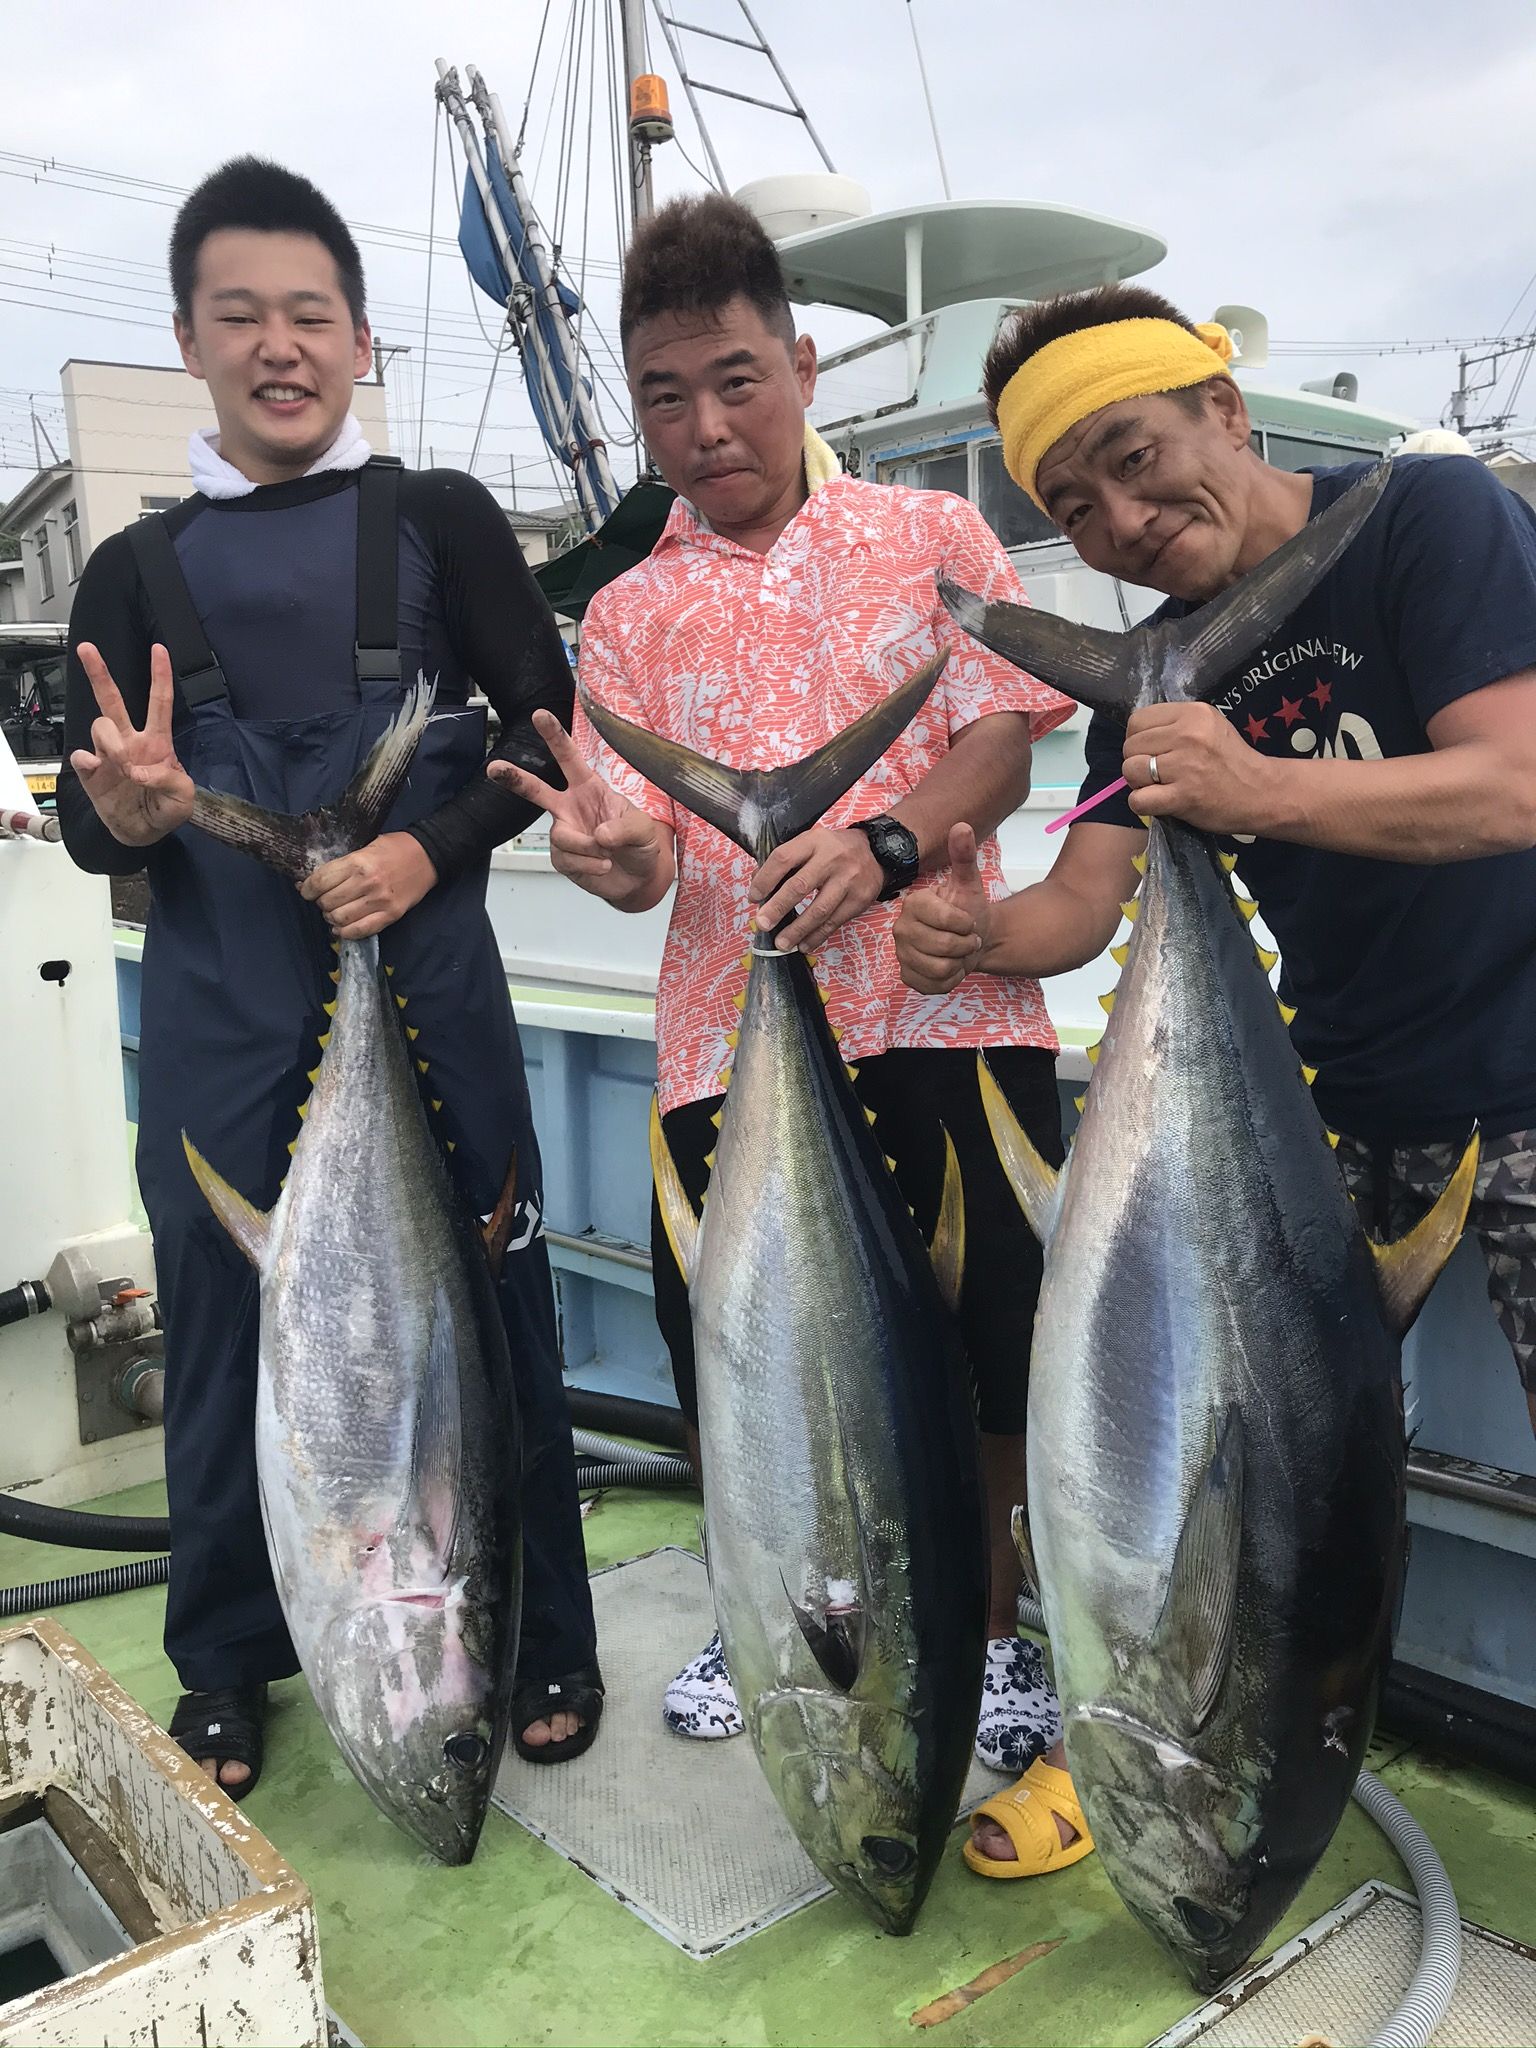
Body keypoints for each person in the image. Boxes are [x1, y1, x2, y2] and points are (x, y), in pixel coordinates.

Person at [894, 279, 1536, 1878]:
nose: (1120, 518)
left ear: (1227, 413)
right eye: (1072, 505)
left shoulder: (1425, 519)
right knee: (1223, 1477)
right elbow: (1081, 900)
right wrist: (976, 936)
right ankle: (1150, 1736)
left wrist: (1254, 787)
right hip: (1337, 1117)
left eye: (1137, 458)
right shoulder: (1153, 682)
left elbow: (1521, 778)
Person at [490, 194, 1075, 1772]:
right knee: (740, 1357)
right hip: (726, 1045)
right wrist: (620, 862)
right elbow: (643, 855)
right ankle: (772, 1610)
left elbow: (1003, 742)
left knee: (998, 1338)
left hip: (949, 1007)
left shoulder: (932, 539)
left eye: (737, 380)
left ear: (803, 369)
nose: (705, 425)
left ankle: (994, 1631)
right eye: (665, 396)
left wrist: (887, 841)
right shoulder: (625, 613)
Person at [58, 156, 601, 1795]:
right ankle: (228, 1656)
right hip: (223, 1006)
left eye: (310, 315)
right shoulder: (130, 572)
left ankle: (538, 1631)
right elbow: (91, 827)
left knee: (493, 1295)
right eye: (240, 317)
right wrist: (124, 813)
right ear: (189, 341)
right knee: (224, 1323)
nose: (278, 346)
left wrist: (426, 851)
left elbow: (546, 733)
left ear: (362, 338)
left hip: (423, 983)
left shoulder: (439, 518)